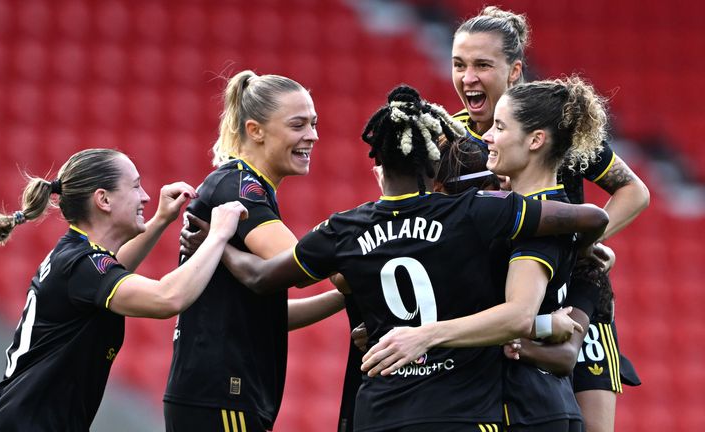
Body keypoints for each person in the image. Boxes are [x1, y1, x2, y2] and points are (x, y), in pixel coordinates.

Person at [190, 85, 609, 431]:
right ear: (432, 165)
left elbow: (262, 277)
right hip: (465, 409)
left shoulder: (345, 228)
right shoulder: (475, 213)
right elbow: (591, 218)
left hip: (383, 409)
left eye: (499, 127)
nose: (487, 137)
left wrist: (217, 241)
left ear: (377, 165)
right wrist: (573, 263)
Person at [450, 7, 649, 430]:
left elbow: (634, 191)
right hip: (505, 305)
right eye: (459, 64)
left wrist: (583, 244)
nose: (468, 78)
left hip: (575, 299)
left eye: (482, 65)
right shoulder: (450, 137)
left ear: (514, 70)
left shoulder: (552, 123)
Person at [0, 148, 247, 431]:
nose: (146, 197)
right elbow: (168, 298)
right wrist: (219, 235)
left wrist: (161, 219)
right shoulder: (82, 265)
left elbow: (116, 267)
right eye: (136, 186)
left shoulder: (76, 255)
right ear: (103, 199)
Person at [165, 70, 345, 432]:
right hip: (222, 392)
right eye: (298, 125)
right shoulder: (239, 188)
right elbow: (301, 263)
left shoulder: (243, 185)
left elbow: (267, 314)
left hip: (217, 394)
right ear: (255, 130)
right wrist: (364, 251)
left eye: (313, 123)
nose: (313, 135)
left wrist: (344, 296)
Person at [480, 76, 612, 431]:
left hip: (524, 408)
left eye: (499, 127)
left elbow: (516, 316)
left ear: (535, 140)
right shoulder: (554, 211)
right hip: (546, 403)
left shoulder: (538, 225)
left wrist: (425, 334)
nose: (487, 136)